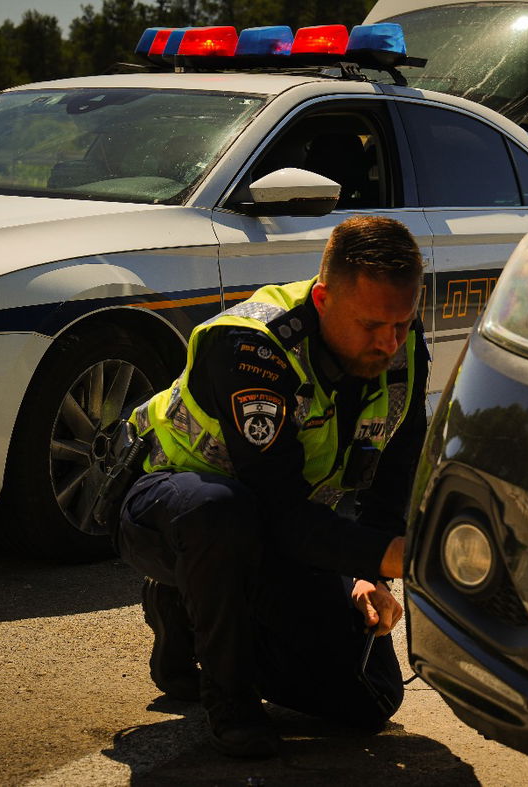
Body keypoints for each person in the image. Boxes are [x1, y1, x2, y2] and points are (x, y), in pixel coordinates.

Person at [117, 215, 428, 758]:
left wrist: (371, 573)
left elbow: (398, 466)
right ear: (325, 299)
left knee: (368, 701)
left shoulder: (400, 344)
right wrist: (388, 553)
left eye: (402, 324)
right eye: (373, 325)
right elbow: (277, 506)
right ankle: (229, 698)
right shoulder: (251, 346)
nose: (389, 343)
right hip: (169, 512)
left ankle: (191, 621)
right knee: (222, 511)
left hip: (277, 528)